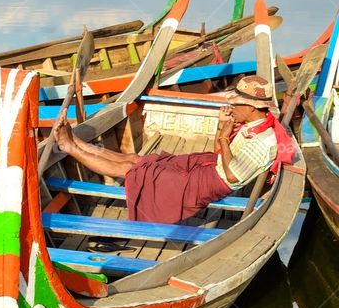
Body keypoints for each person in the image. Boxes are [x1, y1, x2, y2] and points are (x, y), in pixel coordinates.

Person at [54, 75, 295, 224]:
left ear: (252, 107)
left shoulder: (264, 141)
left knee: (132, 171)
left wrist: (224, 137)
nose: (232, 106)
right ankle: (77, 143)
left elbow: (233, 176)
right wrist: (223, 128)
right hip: (209, 165)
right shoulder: (252, 124)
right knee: (136, 159)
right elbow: (219, 152)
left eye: (236, 103)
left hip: (212, 181)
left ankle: (69, 147)